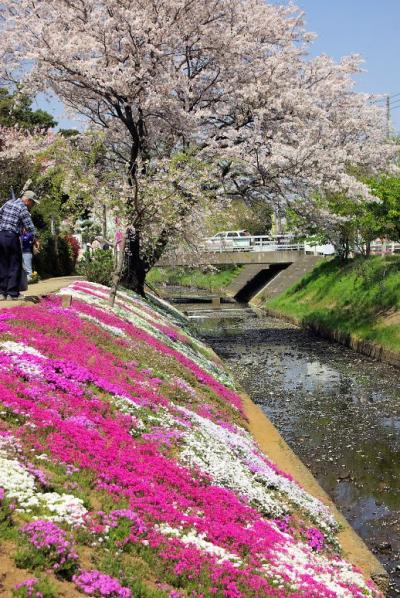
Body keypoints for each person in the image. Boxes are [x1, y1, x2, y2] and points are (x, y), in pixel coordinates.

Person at [0, 190, 38, 300]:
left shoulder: (8, 203)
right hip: (12, 237)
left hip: (1, 235)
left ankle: (2, 293)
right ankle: (12, 294)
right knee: (14, 264)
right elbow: (29, 226)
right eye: (33, 202)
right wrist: (35, 238)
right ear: (28, 200)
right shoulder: (22, 208)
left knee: (2, 264)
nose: (33, 205)